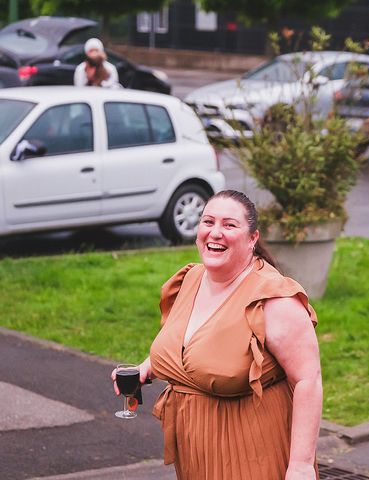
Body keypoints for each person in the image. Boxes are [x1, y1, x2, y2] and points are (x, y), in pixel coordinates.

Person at [112, 190, 322, 480]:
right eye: (208, 221)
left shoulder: (274, 300)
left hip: (252, 454)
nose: (216, 232)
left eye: (230, 225)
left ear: (252, 239)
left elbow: (308, 381)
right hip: (195, 455)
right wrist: (146, 368)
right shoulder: (190, 279)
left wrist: (300, 466)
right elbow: (189, 342)